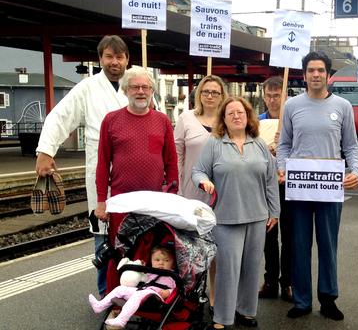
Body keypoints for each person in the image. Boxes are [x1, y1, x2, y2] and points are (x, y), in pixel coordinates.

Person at [35, 35, 129, 296]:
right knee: (103, 234)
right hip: (102, 174)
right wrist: (45, 151)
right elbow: (60, 117)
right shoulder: (87, 88)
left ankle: (132, 290)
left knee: (134, 233)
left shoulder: (135, 85)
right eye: (109, 56)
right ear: (100, 59)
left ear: (127, 60)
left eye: (119, 57)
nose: (114, 62)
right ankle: (106, 293)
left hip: (132, 174)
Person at [277, 51, 358, 320]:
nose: (316, 75)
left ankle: (328, 298)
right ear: (304, 75)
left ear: (328, 75)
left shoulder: (343, 106)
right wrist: (282, 167)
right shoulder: (291, 106)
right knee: (299, 244)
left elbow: (350, 145)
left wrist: (355, 170)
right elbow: (284, 145)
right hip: (299, 187)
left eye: (320, 70)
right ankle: (302, 300)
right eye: (311, 70)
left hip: (330, 187)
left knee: (328, 244)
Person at [192, 96, 280, 329]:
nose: (236, 116)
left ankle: (246, 311)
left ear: (248, 116)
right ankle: (222, 317)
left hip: (258, 216)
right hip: (227, 217)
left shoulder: (259, 144)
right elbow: (198, 171)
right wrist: (204, 183)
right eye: (230, 113)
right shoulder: (215, 143)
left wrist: (275, 211)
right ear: (224, 119)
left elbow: (271, 180)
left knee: (252, 268)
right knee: (227, 271)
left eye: (240, 112)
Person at [94, 67, 179, 291]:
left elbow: (171, 162)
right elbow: (103, 163)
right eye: (135, 87)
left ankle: (147, 297)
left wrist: (172, 196)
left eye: (145, 87)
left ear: (152, 90)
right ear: (125, 90)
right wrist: (102, 200)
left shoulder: (162, 121)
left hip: (154, 203)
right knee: (120, 252)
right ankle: (116, 300)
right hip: (122, 202)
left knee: (151, 251)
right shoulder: (111, 120)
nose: (141, 91)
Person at [257, 76, 293, 302]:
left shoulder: (293, 121)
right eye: (269, 96)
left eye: (277, 95)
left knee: (289, 237)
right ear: (264, 97)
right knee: (268, 237)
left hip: (289, 187)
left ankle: (287, 282)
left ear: (285, 96)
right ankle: (269, 280)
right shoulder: (256, 122)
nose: (272, 100)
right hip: (265, 187)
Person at [88, 245, 177, 328]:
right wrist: (141, 268)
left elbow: (177, 289)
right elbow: (142, 278)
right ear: (151, 261)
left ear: (173, 263)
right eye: (157, 260)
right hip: (142, 292)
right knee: (120, 289)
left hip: (155, 298)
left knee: (141, 294)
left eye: (166, 260)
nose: (161, 263)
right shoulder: (150, 272)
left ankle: (121, 320)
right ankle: (100, 306)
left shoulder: (173, 276)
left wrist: (168, 292)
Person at [174, 75, 228, 203]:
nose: (210, 96)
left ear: (222, 96)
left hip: (223, 191)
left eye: (215, 93)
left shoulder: (228, 120)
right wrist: (178, 188)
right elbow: (177, 155)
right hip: (191, 189)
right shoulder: (186, 118)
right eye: (206, 92)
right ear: (199, 94)